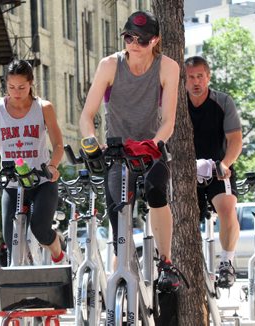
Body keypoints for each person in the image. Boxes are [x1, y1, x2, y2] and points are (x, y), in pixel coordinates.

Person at [79, 11, 181, 292]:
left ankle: (166, 262)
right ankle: (123, 271)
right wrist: (90, 141)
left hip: (151, 146)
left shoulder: (167, 67)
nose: (134, 44)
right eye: (128, 37)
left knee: (156, 189)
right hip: (117, 150)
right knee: (116, 213)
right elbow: (87, 116)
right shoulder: (110, 65)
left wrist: (155, 143)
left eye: (142, 40)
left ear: (155, 40)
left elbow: (169, 121)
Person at [0, 59, 65, 265]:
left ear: (31, 83)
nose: (16, 92)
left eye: (22, 87)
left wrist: (53, 165)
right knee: (10, 239)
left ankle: (58, 254)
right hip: (12, 183)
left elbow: (58, 144)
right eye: (11, 87)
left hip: (41, 180)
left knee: (40, 229)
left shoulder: (43, 107)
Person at [185, 56, 242, 288]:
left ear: (208, 77)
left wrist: (226, 163)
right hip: (186, 172)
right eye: (191, 77)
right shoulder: (175, 103)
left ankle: (227, 263)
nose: (196, 82)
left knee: (227, 207)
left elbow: (235, 140)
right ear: (184, 81)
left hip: (218, 168)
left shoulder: (223, 101)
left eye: (200, 76)